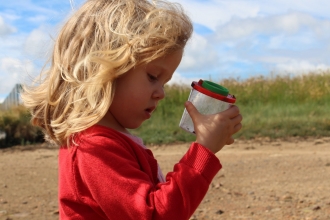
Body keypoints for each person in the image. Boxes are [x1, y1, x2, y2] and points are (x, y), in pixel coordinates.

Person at [22, 0, 242, 219]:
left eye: (164, 82)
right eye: (153, 77)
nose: (161, 93)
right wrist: (203, 151)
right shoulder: (93, 148)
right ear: (103, 70)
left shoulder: (109, 140)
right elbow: (154, 214)